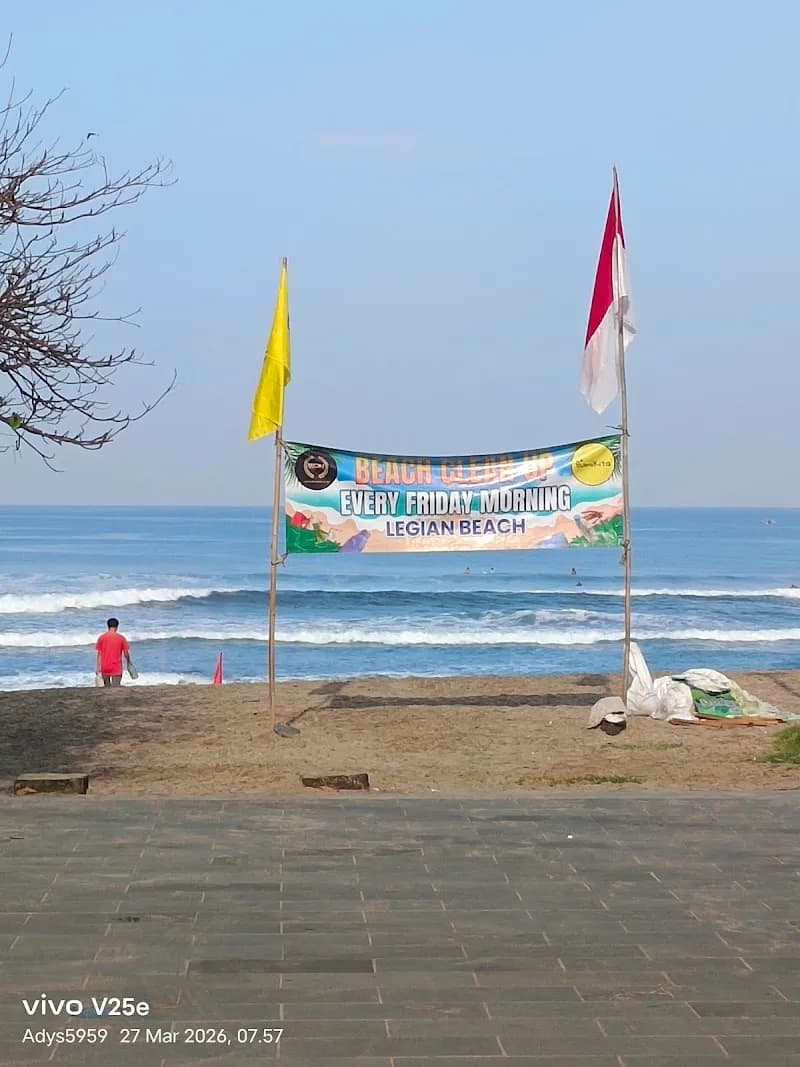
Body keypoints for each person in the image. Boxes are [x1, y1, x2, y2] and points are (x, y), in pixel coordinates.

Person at [95, 617, 131, 687]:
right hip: (116, 667)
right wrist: (129, 662)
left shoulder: (102, 637)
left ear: (107, 626)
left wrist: (98, 667)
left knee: (107, 687)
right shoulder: (121, 638)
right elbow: (126, 653)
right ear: (117, 626)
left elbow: (99, 654)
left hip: (105, 667)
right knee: (116, 687)